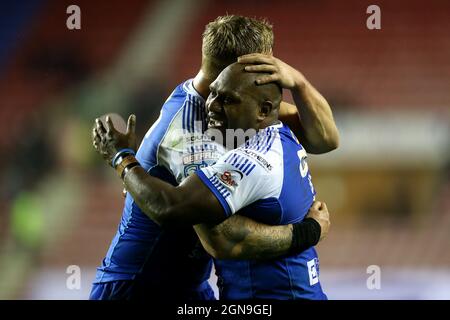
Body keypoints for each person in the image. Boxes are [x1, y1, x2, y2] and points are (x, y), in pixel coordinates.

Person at [90, 15, 337, 300]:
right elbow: (222, 238)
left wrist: (299, 82)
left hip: (189, 287)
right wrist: (308, 232)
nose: (272, 74)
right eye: (266, 66)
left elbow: (324, 139)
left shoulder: (228, 103)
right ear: (243, 67)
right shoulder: (192, 134)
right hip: (140, 287)